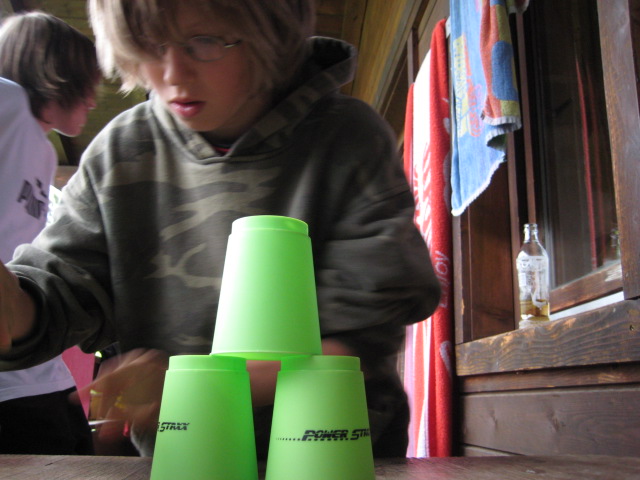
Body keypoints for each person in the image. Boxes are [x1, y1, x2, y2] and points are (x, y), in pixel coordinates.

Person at [0, 0, 441, 458]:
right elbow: (61, 289)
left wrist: (192, 388)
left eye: (205, 41)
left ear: (271, 34)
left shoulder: (347, 137)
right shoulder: (118, 151)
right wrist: (15, 308)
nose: (173, 74)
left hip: (336, 454)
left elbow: (362, 336)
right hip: (182, 457)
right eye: (150, 45)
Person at [0, 11, 100, 454]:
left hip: (32, 362)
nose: (94, 100)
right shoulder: (6, 100)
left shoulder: (40, 151)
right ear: (55, 75)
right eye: (87, 84)